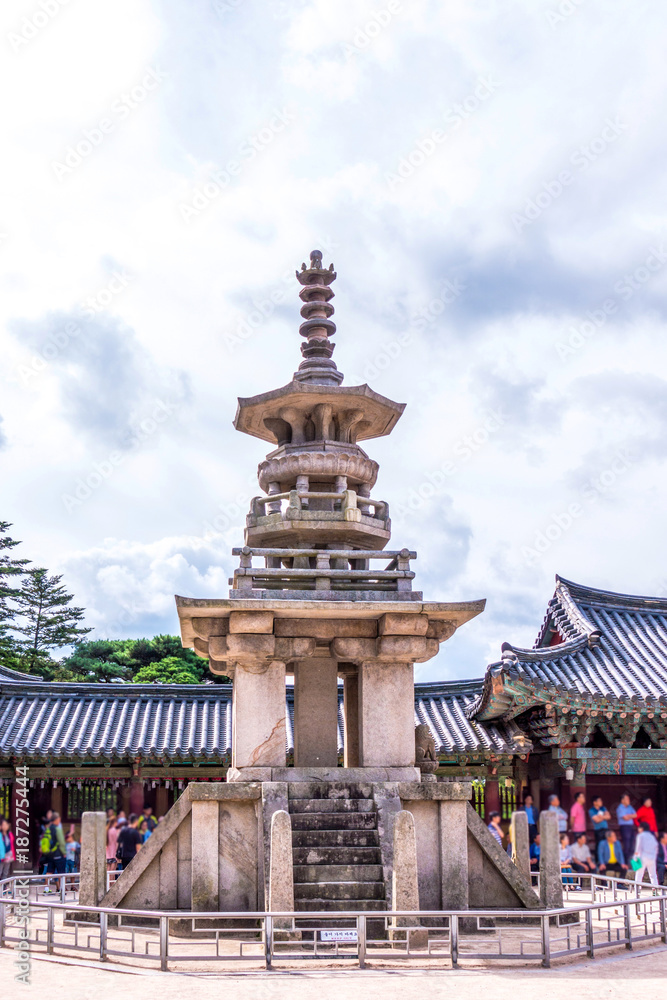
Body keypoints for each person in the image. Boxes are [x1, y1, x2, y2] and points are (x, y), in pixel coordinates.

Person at [633, 821, 659, 887]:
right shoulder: (652, 836)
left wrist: (635, 858)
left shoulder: (640, 836)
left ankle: (638, 892)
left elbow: (638, 848)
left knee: (639, 875)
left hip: (642, 857)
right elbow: (656, 847)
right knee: (653, 875)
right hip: (652, 858)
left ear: (642, 828)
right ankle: (655, 891)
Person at [616, 793, 637, 860]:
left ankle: (631, 862)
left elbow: (635, 815)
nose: (629, 800)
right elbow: (625, 818)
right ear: (622, 800)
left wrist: (628, 816)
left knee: (631, 844)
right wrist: (630, 815)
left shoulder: (630, 807)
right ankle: (625, 861)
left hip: (631, 826)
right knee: (626, 845)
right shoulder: (620, 808)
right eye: (627, 799)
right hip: (624, 827)